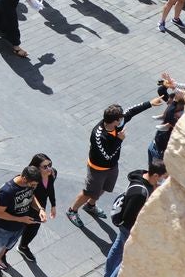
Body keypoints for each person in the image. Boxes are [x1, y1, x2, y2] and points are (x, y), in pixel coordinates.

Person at [65, 95, 164, 227]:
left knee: (104, 188)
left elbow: (131, 111)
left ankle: (90, 205)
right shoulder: (99, 136)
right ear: (115, 121)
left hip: (112, 167)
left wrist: (150, 103)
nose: (123, 119)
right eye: (121, 118)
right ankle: (72, 210)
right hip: (98, 169)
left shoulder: (117, 123)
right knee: (89, 191)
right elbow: (107, 156)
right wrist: (119, 140)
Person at [101, 161, 168, 277]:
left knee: (117, 249)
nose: (165, 180)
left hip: (125, 226)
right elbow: (130, 216)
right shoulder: (141, 193)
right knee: (127, 258)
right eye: (164, 177)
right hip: (130, 228)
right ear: (156, 175)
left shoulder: (140, 176)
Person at [13, 153, 57, 263]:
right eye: (45, 166)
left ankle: (23, 247)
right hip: (27, 207)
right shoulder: (30, 179)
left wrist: (53, 205)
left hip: (40, 208)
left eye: (50, 164)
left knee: (33, 231)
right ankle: (2, 256)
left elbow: (50, 189)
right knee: (14, 233)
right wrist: (40, 208)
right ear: (37, 168)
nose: (49, 168)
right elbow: (31, 195)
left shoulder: (52, 173)